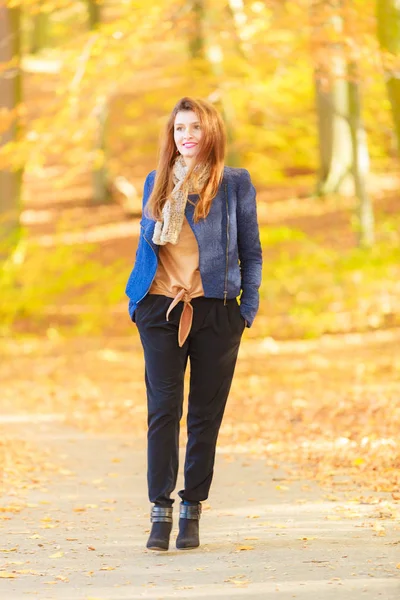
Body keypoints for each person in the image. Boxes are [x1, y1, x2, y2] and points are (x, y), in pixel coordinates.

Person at [125, 96, 262, 551]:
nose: (188, 136)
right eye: (181, 128)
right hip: (160, 308)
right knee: (164, 411)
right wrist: (135, 300)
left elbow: (252, 249)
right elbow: (147, 248)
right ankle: (159, 509)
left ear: (211, 135)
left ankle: (192, 509)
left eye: (197, 128)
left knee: (205, 415)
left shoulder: (235, 184)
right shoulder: (156, 181)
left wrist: (246, 308)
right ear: (172, 135)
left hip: (216, 311)